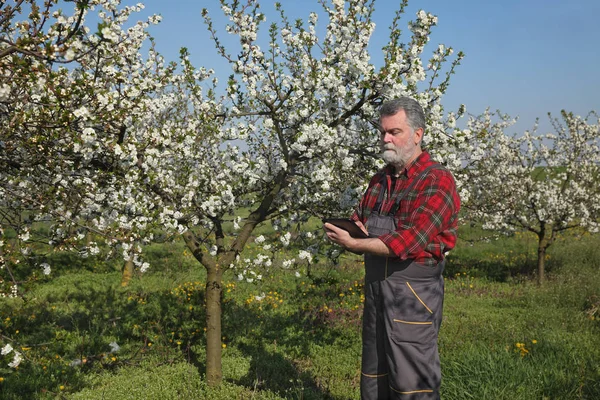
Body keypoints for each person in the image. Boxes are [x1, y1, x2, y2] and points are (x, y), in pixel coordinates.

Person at [324, 97, 460, 400]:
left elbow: (410, 240)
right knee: (375, 375)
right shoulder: (379, 180)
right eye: (383, 132)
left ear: (417, 134)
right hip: (376, 288)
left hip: (413, 292)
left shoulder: (437, 180)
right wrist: (348, 231)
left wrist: (356, 243)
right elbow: (360, 219)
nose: (385, 139)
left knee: (412, 380)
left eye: (394, 132)